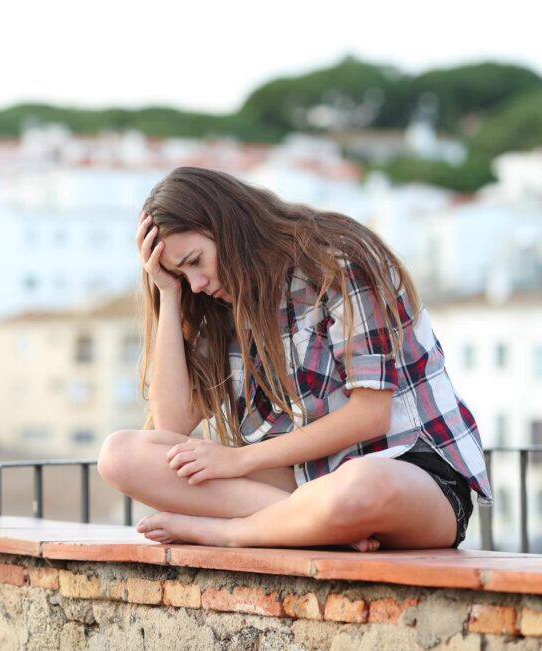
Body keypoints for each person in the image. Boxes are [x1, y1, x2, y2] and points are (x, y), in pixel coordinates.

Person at [97, 166, 492, 551]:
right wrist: (169, 293)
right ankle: (310, 526)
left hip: (412, 474)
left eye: (195, 262)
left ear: (227, 228)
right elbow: (171, 426)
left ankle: (235, 532)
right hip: (306, 484)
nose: (196, 283)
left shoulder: (338, 262)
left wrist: (238, 461)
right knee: (120, 456)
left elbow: (370, 415)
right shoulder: (215, 302)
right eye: (182, 276)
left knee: (359, 484)